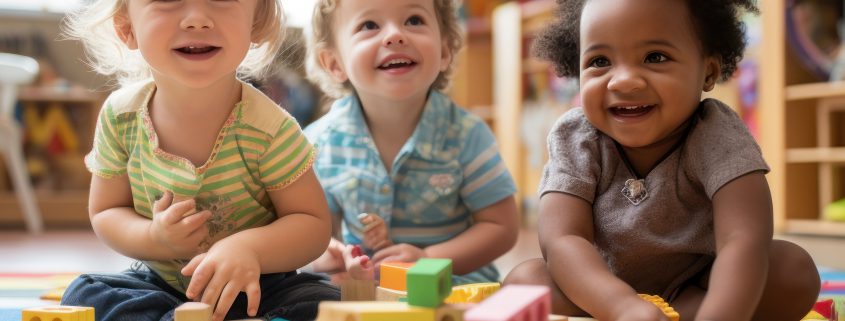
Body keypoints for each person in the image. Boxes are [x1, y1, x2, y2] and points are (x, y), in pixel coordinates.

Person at [503, 0, 821, 320]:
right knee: (524, 283)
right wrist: (621, 306)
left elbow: (743, 238)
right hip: (597, 285)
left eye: (655, 57)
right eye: (600, 61)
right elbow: (563, 239)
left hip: (696, 285)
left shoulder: (717, 134)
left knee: (792, 270)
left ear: (708, 71)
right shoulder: (576, 137)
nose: (623, 81)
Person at [60, 1, 338, 320]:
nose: (197, 20)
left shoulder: (269, 130)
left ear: (256, 22)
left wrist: (249, 249)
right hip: (161, 285)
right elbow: (107, 211)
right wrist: (155, 238)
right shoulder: (120, 117)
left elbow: (311, 225)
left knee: (323, 301)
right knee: (86, 293)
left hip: (259, 289)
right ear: (127, 28)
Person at [302, 0, 519, 285]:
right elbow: (315, 233)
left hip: (453, 287)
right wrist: (330, 256)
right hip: (366, 293)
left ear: (444, 51)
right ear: (334, 63)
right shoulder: (320, 144)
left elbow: (501, 227)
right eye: (369, 25)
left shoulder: (466, 134)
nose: (395, 35)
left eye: (414, 20)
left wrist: (429, 259)